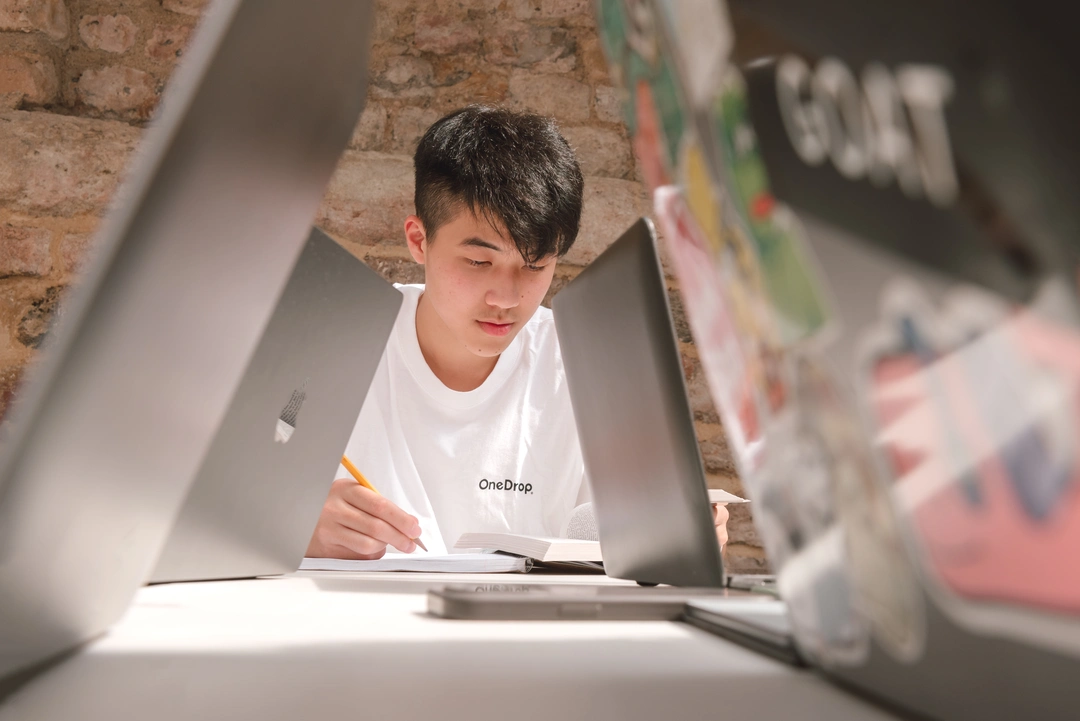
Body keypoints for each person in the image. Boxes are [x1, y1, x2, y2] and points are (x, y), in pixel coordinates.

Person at [306, 105, 729, 559]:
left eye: (534, 266)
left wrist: (683, 538)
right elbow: (227, 506)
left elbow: (628, 544)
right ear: (418, 240)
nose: (506, 298)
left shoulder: (582, 367)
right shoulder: (331, 341)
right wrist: (298, 527)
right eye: (478, 261)